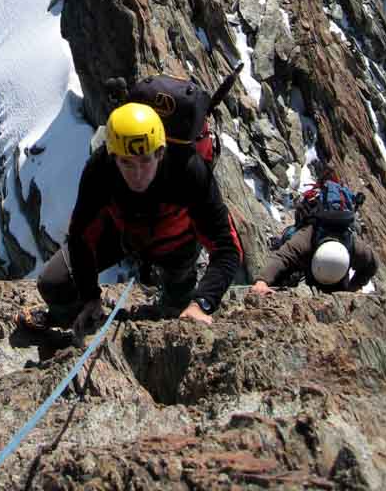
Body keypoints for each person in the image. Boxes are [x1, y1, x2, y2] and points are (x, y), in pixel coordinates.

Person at [32, 102, 243, 338]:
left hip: (176, 245)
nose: (137, 174)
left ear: (160, 153)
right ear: (113, 158)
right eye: (127, 163)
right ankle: (77, 324)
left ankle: (175, 302)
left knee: (177, 303)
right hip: (122, 234)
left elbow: (227, 247)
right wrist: (89, 297)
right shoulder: (101, 169)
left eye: (145, 161)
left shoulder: (188, 171)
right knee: (53, 282)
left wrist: (202, 303)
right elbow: (81, 236)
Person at [249, 223, 376, 296]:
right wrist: (262, 281)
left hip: (338, 277)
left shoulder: (354, 247)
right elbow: (282, 257)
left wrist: (355, 286)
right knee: (285, 279)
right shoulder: (305, 239)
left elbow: (372, 265)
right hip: (306, 265)